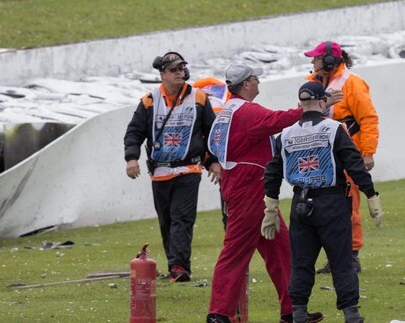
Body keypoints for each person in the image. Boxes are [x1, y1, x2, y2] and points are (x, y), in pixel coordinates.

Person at [205, 63, 323, 323]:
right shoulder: (247, 111)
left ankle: (292, 310)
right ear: (246, 83)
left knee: (281, 250)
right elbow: (277, 120)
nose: (258, 82)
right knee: (236, 251)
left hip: (247, 186)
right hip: (249, 187)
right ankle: (218, 313)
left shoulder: (230, 110)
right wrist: (310, 109)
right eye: (255, 78)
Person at [263, 81, 383, 323]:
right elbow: (354, 164)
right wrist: (371, 195)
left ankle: (298, 312)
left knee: (301, 263)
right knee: (342, 261)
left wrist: (271, 207)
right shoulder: (334, 128)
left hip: (300, 204)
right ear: (322, 102)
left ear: (300, 104)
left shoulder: (285, 134)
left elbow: (273, 172)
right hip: (332, 202)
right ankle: (351, 314)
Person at [124, 51, 222, 283]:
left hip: (189, 169)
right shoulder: (149, 101)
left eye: (181, 69)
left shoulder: (199, 98)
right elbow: (134, 132)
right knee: (167, 221)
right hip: (159, 172)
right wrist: (131, 158)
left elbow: (211, 133)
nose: (179, 73)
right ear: (162, 74)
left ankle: (180, 266)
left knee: (182, 218)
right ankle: (174, 264)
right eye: (173, 70)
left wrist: (213, 161)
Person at [304, 41, 379, 275]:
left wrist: (367, 153)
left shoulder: (352, 83)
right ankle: (334, 256)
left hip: (346, 153)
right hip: (320, 154)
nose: (312, 61)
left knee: (349, 205)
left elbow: (368, 119)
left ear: (329, 61)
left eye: (316, 58)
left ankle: (352, 256)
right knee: (324, 207)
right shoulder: (312, 83)